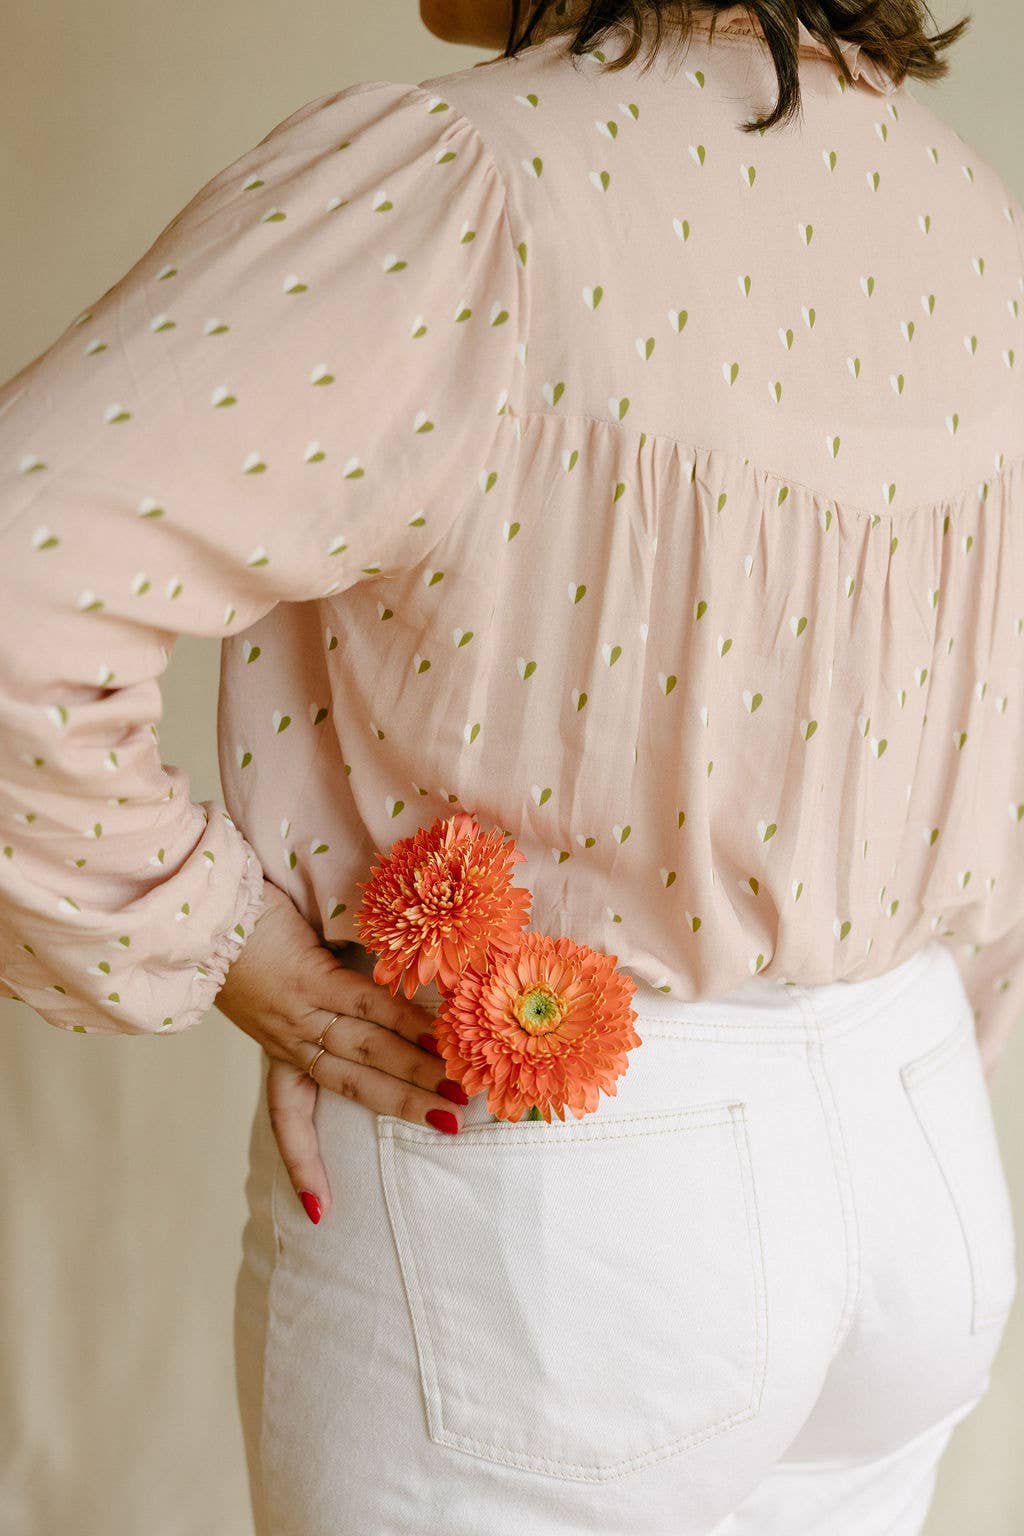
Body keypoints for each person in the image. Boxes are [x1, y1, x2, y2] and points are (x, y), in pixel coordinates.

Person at [1, 1, 1021, 1531]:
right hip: (914, 1150)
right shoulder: (966, 214)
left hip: (558, 1208)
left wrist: (213, 931)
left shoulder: (467, 190)